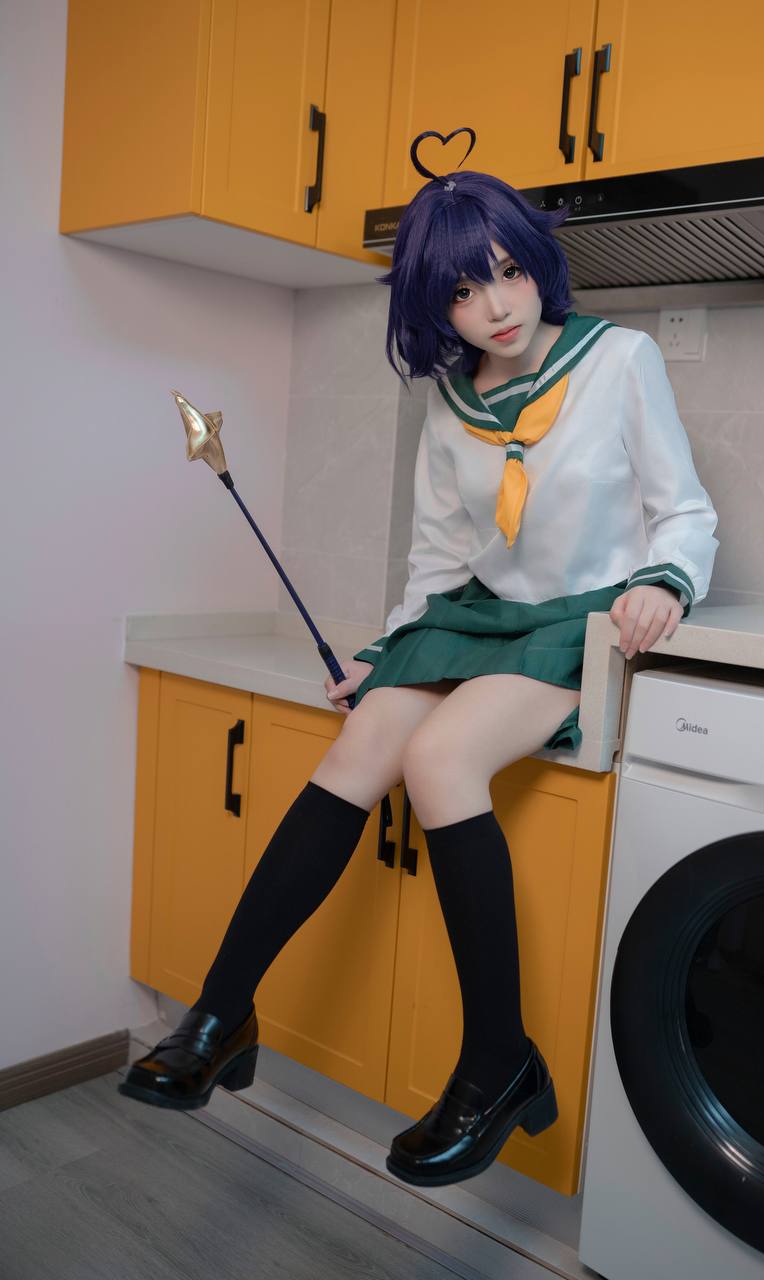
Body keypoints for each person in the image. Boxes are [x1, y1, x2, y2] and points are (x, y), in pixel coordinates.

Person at [120, 127, 719, 1189]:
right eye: (462, 290)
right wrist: (384, 652)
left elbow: (684, 511)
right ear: (434, 308)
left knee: (439, 758)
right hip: (475, 619)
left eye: (507, 270)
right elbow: (440, 557)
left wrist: (661, 582)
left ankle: (498, 1059)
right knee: (358, 746)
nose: (496, 304)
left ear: (535, 260)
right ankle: (219, 1014)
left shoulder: (619, 359)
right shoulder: (448, 400)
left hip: (577, 622)